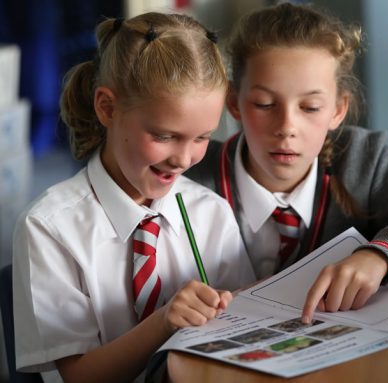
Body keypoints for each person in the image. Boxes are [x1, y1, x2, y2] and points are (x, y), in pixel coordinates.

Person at [185, 2, 388, 324]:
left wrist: (380, 255)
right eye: (265, 104)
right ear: (234, 103)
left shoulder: (364, 160)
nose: (287, 126)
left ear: (338, 110)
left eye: (310, 107)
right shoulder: (194, 175)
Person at [12, 12, 255, 383]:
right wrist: (164, 321)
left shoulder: (211, 213)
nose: (184, 158)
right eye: (163, 136)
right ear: (107, 108)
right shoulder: (48, 228)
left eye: (202, 137)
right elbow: (79, 376)